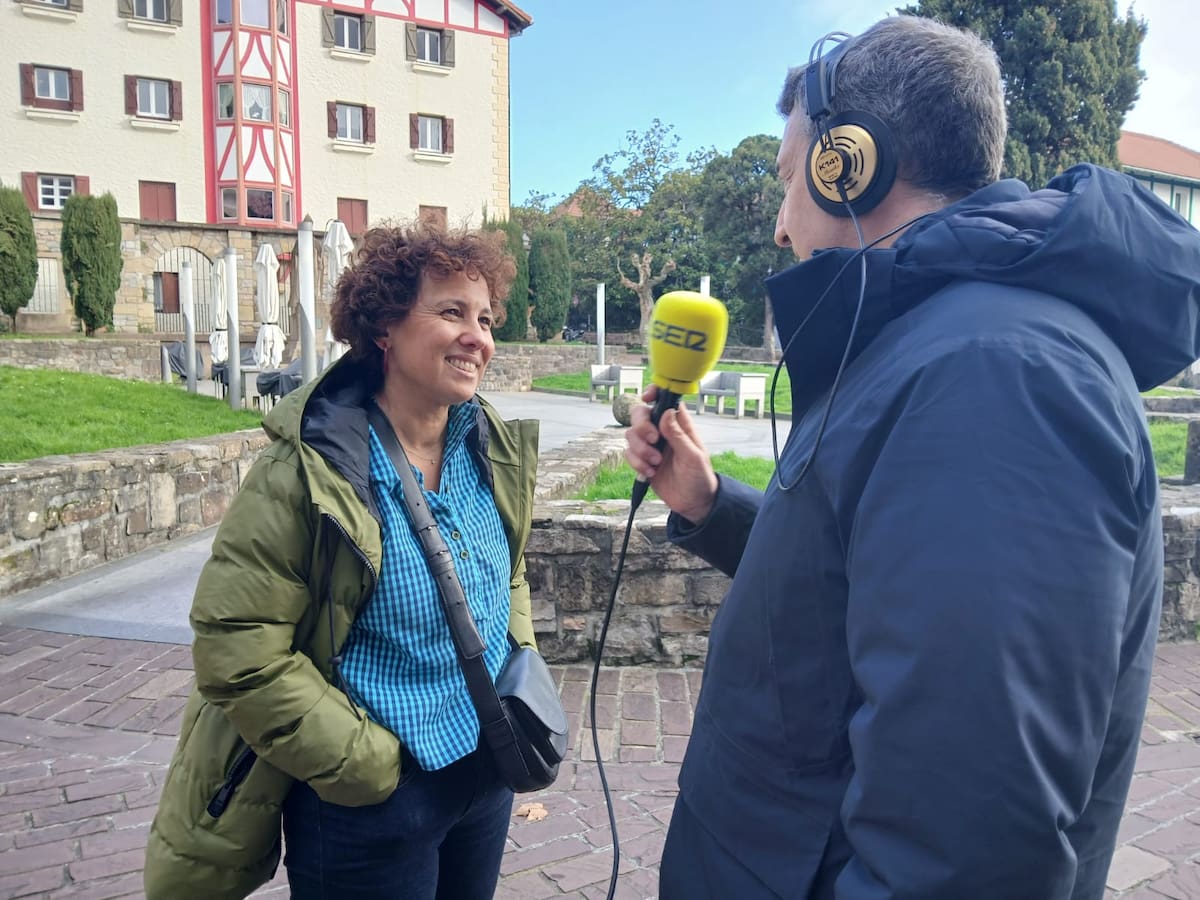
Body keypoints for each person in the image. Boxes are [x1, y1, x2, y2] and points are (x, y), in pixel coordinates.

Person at [625, 14, 1200, 900]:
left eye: (789, 182)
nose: (782, 228)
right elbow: (865, 591)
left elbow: (964, 845)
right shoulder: (935, 348)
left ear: (847, 164)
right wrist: (710, 505)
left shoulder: (991, 375)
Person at [145, 223, 539, 899]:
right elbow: (237, 648)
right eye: (451, 312)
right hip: (372, 801)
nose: (480, 337)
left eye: (484, 317)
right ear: (385, 328)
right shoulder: (309, 468)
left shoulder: (488, 448)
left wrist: (518, 677)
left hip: (484, 775)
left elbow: (510, 572)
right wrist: (365, 764)